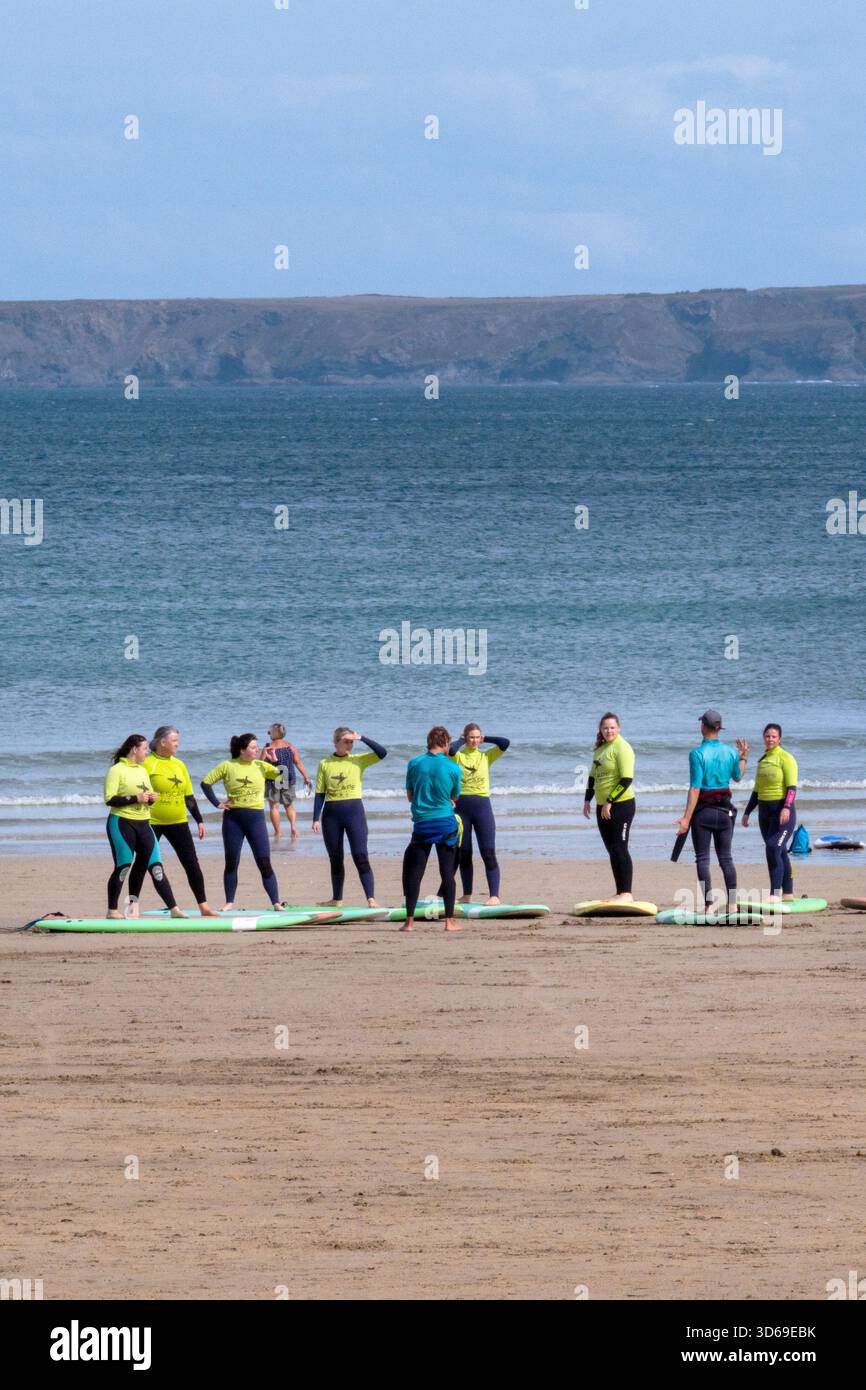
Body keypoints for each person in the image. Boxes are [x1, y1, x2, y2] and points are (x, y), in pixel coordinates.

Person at [676, 709, 749, 911]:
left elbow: (695, 788)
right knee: (726, 858)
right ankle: (733, 905)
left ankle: (708, 906)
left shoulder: (697, 754)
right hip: (726, 813)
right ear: (719, 728)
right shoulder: (731, 752)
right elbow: (738, 777)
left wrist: (686, 818)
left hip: (704, 814)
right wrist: (743, 758)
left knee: (702, 859)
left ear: (703, 726)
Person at [104, 734, 183, 919]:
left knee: (156, 867)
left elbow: (144, 798)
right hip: (122, 822)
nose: (147, 752)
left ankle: (174, 909)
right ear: (134, 749)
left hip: (144, 823)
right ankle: (112, 910)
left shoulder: (142, 770)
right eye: (145, 749)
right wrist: (136, 798)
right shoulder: (117, 770)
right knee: (123, 866)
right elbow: (110, 799)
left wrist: (150, 799)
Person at [201, 734, 282, 910]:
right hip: (233, 820)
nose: (257, 750)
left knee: (264, 861)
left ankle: (276, 902)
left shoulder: (260, 766)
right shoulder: (227, 766)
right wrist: (217, 803)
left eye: (257, 747)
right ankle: (229, 902)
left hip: (256, 820)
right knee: (231, 861)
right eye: (253, 747)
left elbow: (281, 780)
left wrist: (275, 761)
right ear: (242, 750)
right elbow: (205, 783)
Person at [143, 726, 217, 916]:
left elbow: (189, 797)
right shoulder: (148, 764)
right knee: (147, 864)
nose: (178, 744)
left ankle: (204, 907)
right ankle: (152, 906)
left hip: (178, 821)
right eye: (174, 740)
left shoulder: (179, 764)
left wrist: (199, 820)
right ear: (162, 742)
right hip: (152, 822)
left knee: (192, 863)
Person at [312, 729, 386, 906]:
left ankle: (371, 898)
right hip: (331, 815)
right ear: (336, 742)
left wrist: (362, 738)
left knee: (360, 855)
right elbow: (320, 793)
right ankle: (337, 899)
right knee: (335, 858)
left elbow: (382, 752)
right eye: (346, 741)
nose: (350, 745)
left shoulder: (358, 760)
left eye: (351, 742)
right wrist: (315, 818)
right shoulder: (325, 763)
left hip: (354, 813)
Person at [402, 726, 462, 932]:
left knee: (415, 873)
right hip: (445, 823)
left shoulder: (414, 763)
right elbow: (454, 797)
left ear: (429, 742)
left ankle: (409, 922)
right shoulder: (454, 768)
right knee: (447, 874)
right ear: (445, 743)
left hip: (422, 824)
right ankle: (449, 922)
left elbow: (410, 796)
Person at [445, 723, 509, 905]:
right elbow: (450, 750)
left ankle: (494, 895)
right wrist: (461, 740)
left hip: (482, 807)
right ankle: (466, 894)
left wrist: (484, 739)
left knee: (488, 851)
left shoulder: (486, 756)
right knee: (464, 852)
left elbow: (505, 743)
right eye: (471, 737)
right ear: (465, 737)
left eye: (477, 737)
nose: (474, 740)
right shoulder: (458, 756)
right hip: (461, 806)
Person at [583, 712, 636, 900]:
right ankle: (619, 891)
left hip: (621, 805)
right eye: (605, 728)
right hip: (602, 806)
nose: (609, 731)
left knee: (620, 847)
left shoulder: (623, 748)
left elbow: (626, 779)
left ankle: (627, 893)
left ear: (619, 728)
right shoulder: (601, 749)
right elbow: (592, 777)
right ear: (601, 730)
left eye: (612, 727)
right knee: (612, 849)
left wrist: (610, 801)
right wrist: (587, 800)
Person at [742, 723, 798, 901]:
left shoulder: (786, 758)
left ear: (779, 739)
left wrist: (787, 807)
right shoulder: (763, 761)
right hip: (764, 813)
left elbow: (791, 787)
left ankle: (775, 894)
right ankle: (788, 893)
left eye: (774, 736)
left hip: (782, 812)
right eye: (767, 736)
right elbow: (756, 791)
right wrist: (747, 812)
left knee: (773, 848)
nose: (770, 739)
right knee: (778, 851)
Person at [261, 723, 312, 842]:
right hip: (287, 777)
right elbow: (298, 763)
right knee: (289, 805)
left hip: (273, 778)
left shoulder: (268, 746)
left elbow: (261, 764)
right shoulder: (290, 746)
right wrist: (306, 777)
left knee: (274, 806)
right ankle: (293, 827)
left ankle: (278, 832)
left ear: (272, 733)